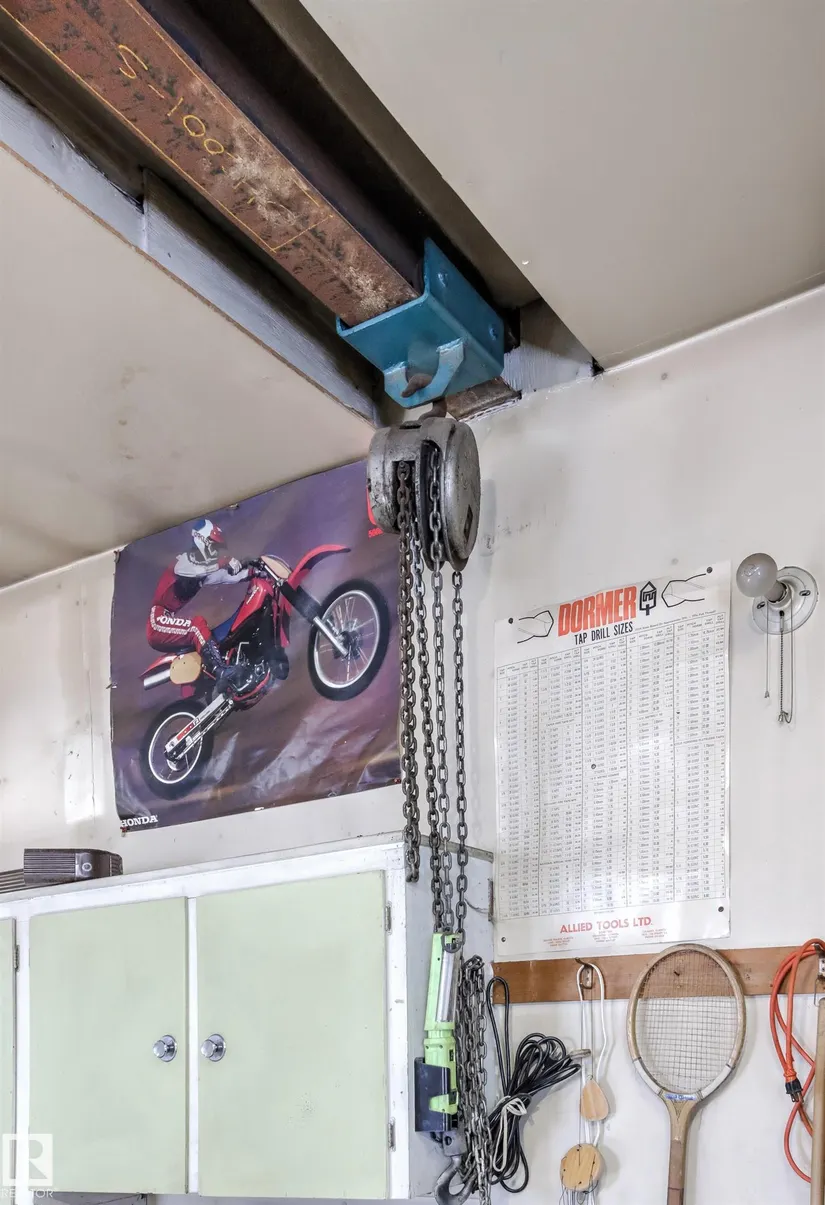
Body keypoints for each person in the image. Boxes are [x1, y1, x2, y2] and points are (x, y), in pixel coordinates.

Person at [147, 518, 258, 698]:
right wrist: (224, 561)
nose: (215, 551)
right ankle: (220, 670)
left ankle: (211, 679)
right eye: (213, 546)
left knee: (209, 634)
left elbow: (224, 577)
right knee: (196, 625)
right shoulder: (183, 561)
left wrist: (253, 571)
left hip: (167, 618)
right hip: (158, 620)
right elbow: (196, 570)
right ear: (201, 539)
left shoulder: (203, 571)